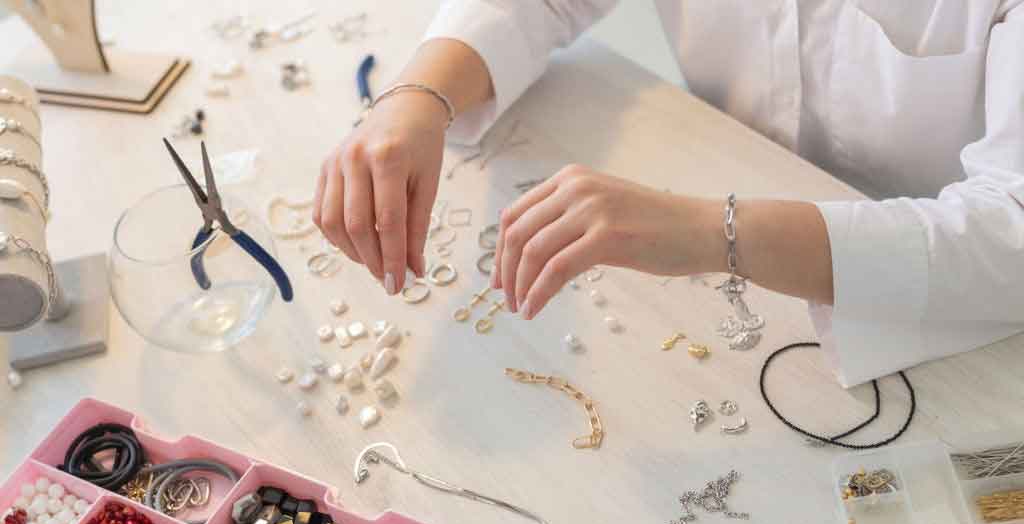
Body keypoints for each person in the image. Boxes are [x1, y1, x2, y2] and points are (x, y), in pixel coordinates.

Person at [313, 1, 1024, 387]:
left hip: (948, 307)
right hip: (722, 177)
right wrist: (416, 98)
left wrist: (713, 233)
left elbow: (1011, 233)